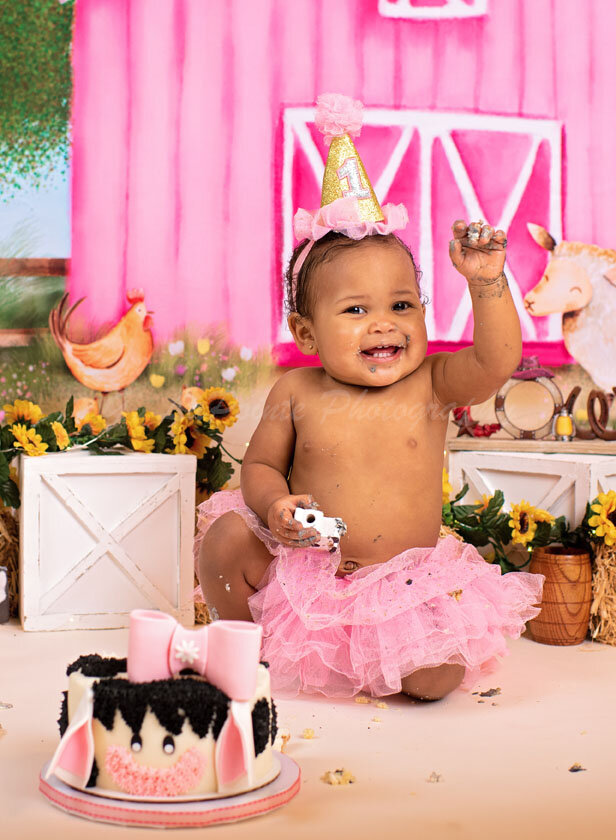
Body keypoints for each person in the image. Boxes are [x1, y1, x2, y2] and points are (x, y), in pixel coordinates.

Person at [195, 94, 544, 700]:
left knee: (436, 679)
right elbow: (260, 466)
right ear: (307, 333)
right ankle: (244, 645)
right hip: (309, 573)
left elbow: (497, 361)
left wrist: (487, 283)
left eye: (401, 305)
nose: (384, 323)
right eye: (356, 310)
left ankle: (382, 655)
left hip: (400, 587)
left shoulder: (431, 383)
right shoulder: (297, 390)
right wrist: (275, 507)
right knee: (226, 536)